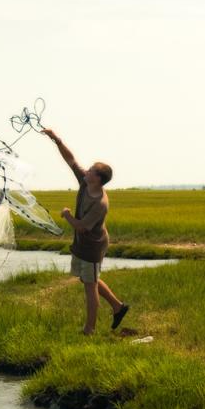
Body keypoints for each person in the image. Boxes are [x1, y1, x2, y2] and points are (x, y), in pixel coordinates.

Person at [42, 128, 129, 335]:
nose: (86, 171)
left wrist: (66, 214)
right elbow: (70, 160)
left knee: (89, 286)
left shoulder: (101, 203)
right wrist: (56, 139)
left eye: (91, 170)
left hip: (93, 245)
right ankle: (118, 307)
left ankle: (89, 330)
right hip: (84, 242)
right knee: (89, 279)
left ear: (98, 179)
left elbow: (81, 226)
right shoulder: (85, 181)